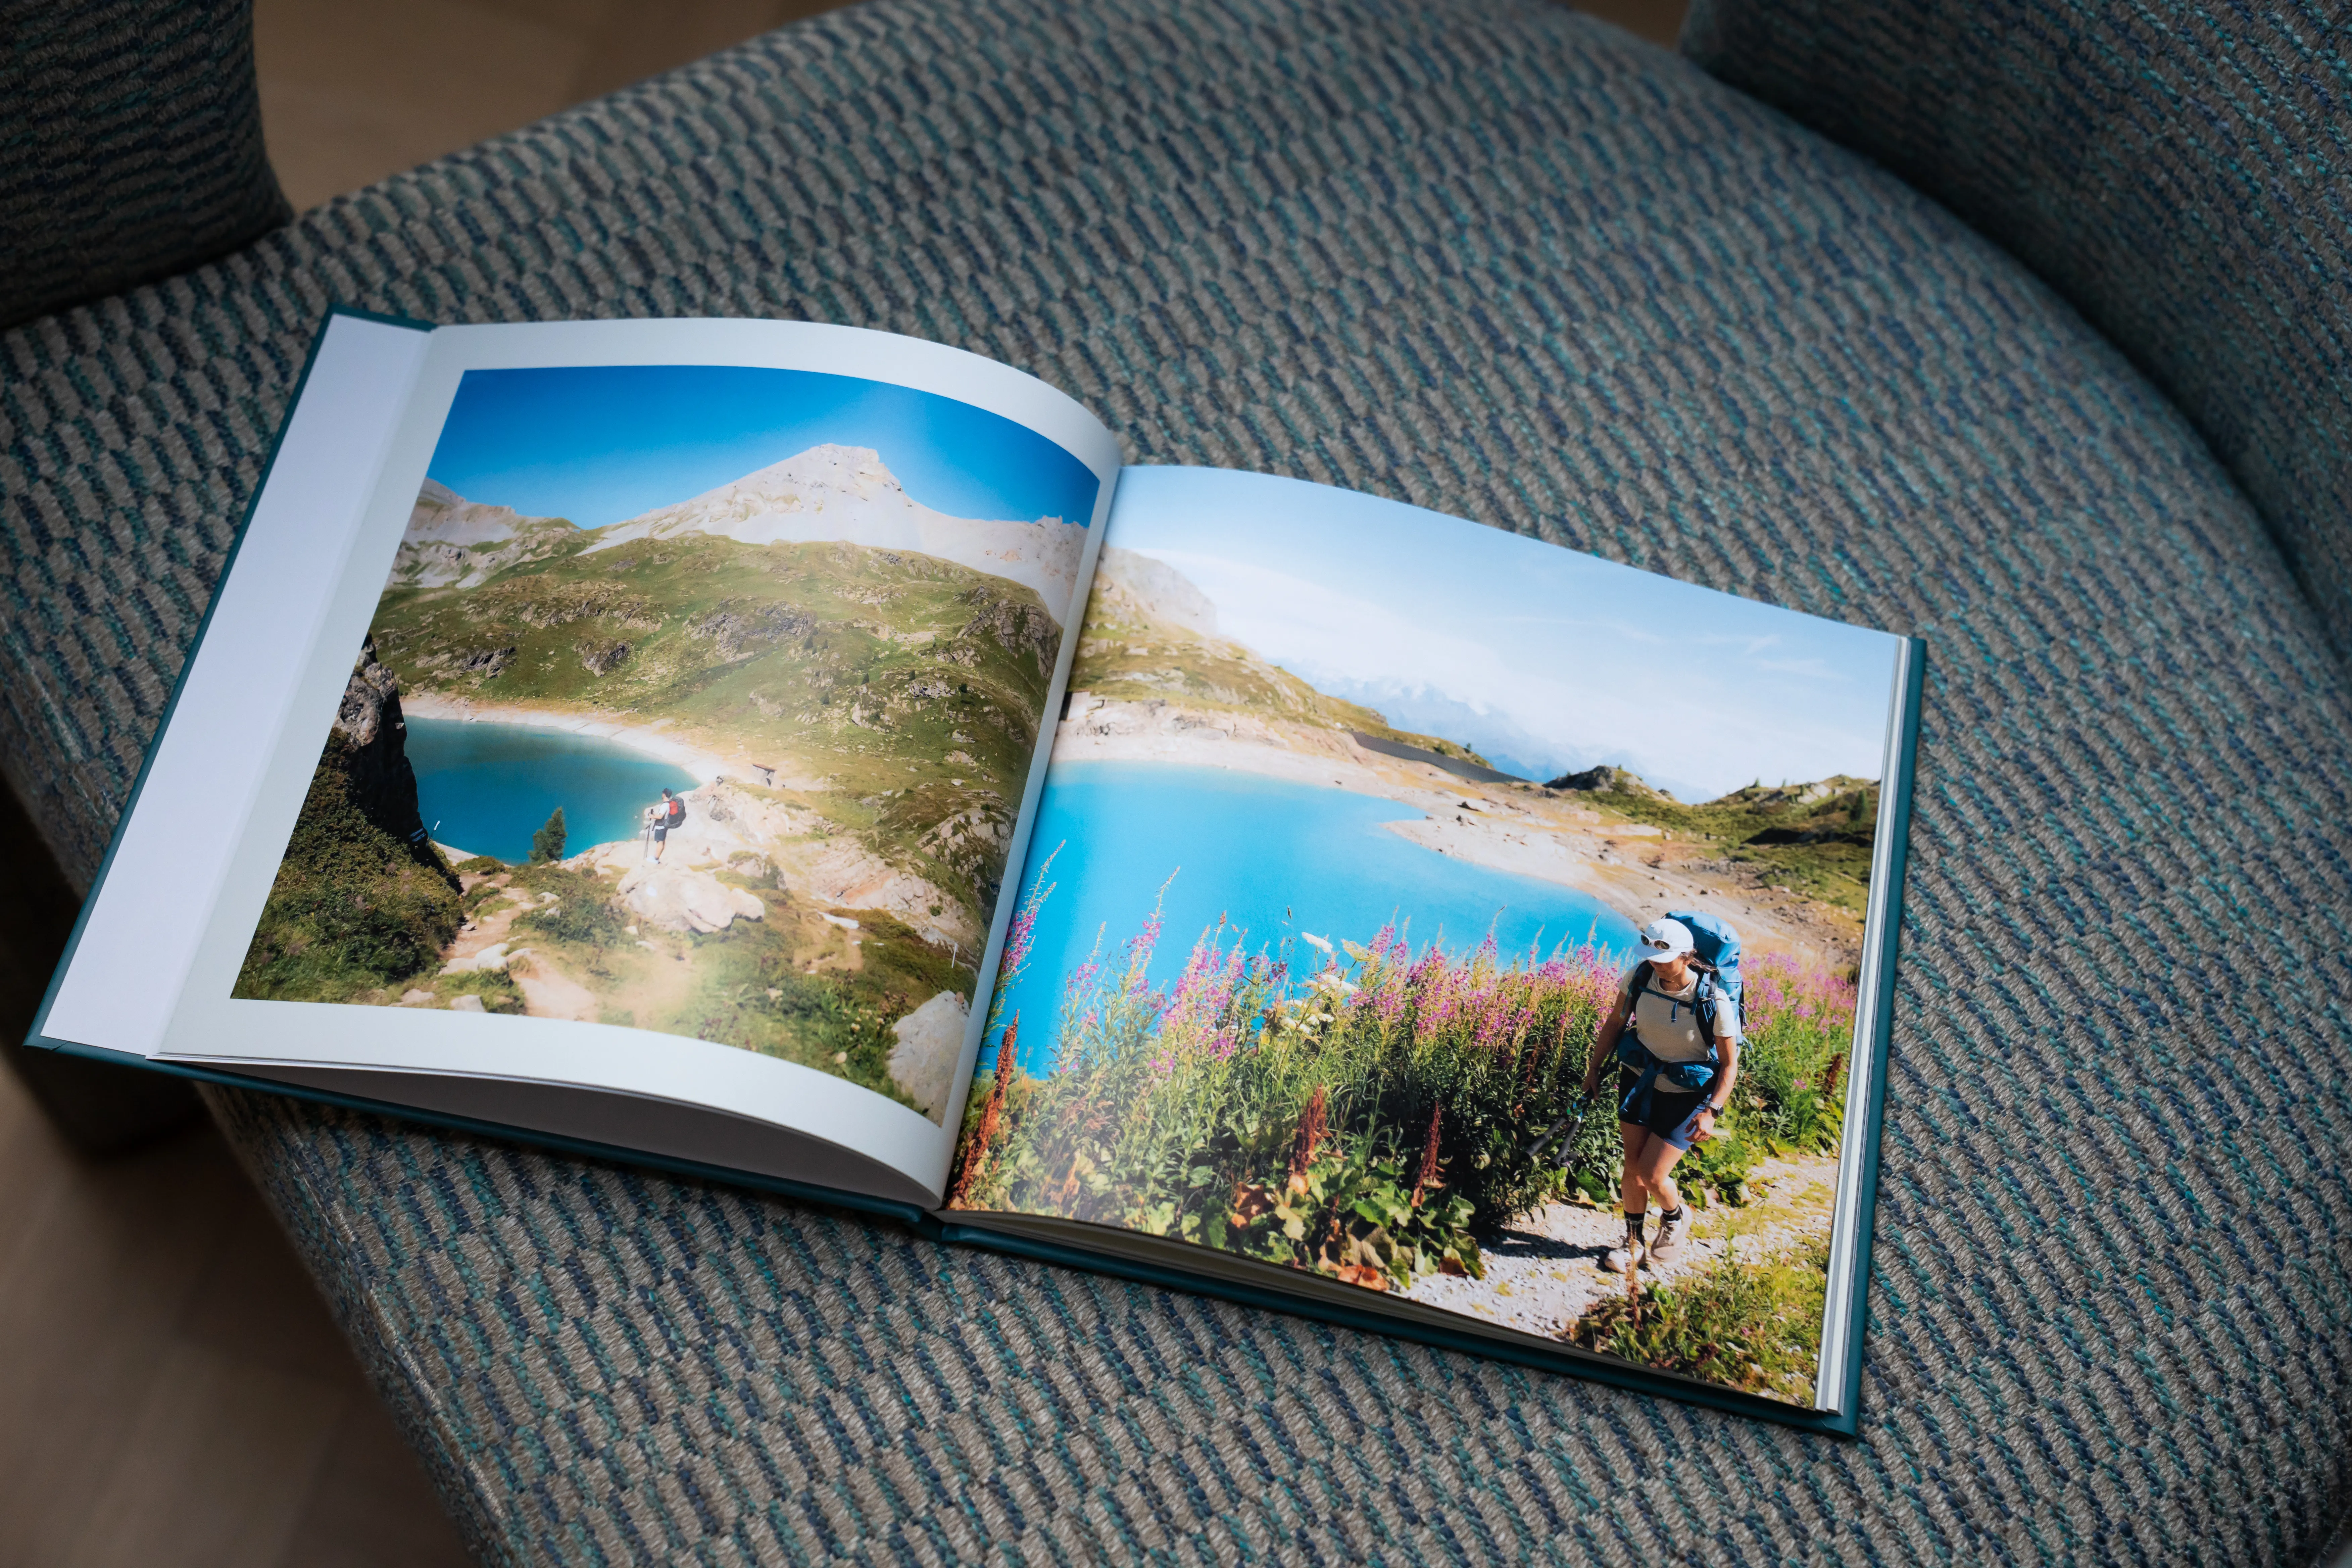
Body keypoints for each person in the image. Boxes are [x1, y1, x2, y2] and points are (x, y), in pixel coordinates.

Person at [1578, 916, 1741, 1272]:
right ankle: (1632, 1244)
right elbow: (1615, 1022)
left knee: (1653, 1174)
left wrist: (1712, 1111)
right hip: (1639, 1080)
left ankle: (1676, 1216)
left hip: (1688, 1094)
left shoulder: (1713, 999)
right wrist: (1594, 1070)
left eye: (1665, 960)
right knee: (1632, 1167)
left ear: (1687, 957)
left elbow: (1730, 1065)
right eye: (1652, 957)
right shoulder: (1639, 977)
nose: (1657, 965)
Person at [647, 787, 685, 863]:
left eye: (663, 793)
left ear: (664, 795)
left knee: (660, 843)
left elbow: (660, 817)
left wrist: (651, 816)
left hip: (661, 826)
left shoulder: (665, 805)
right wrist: (655, 815)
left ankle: (656, 859)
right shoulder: (669, 804)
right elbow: (663, 815)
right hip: (665, 825)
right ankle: (657, 858)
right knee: (662, 842)